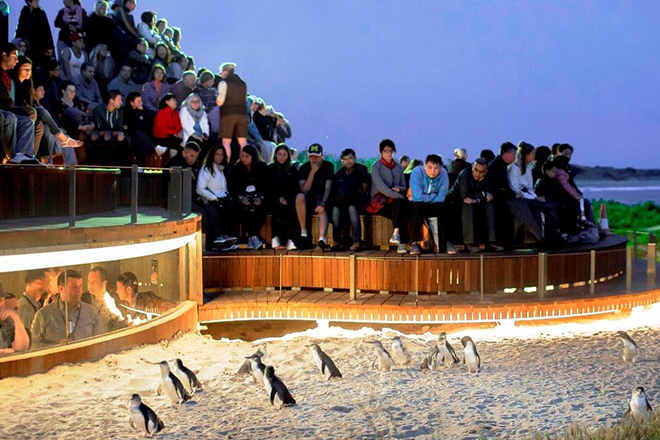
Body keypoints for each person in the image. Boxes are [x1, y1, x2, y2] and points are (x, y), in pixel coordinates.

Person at [489, 141, 543, 246]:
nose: (514, 157)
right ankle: (535, 237)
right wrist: (517, 195)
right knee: (522, 206)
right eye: (513, 154)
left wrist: (534, 197)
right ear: (506, 154)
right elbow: (503, 188)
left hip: (509, 196)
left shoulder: (503, 166)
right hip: (501, 199)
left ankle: (534, 237)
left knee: (532, 205)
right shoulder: (499, 168)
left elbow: (528, 187)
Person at [30, 270, 100, 348]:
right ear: (61, 289)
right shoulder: (44, 315)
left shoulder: (90, 312)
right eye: (74, 287)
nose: (79, 291)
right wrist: (56, 347)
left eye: (80, 286)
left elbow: (99, 341)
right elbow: (33, 344)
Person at [508, 141, 560, 243]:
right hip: (519, 199)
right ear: (526, 155)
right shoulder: (514, 169)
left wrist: (535, 196)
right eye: (532, 154)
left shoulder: (528, 169)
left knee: (550, 206)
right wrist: (534, 198)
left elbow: (530, 188)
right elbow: (515, 189)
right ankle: (538, 238)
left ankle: (552, 235)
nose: (533, 157)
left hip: (528, 196)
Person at [449, 159, 503, 253]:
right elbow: (465, 195)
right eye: (476, 170)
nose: (478, 174)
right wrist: (482, 194)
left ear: (485, 172)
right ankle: (469, 243)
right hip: (457, 201)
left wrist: (478, 199)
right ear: (472, 168)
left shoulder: (488, 176)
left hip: (477, 201)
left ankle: (491, 241)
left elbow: (489, 195)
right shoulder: (464, 174)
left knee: (490, 206)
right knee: (467, 206)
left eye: (481, 172)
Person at [196, 144, 238, 251]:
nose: (219, 157)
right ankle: (219, 242)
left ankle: (228, 240)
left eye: (222, 155)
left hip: (224, 199)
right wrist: (213, 198)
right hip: (213, 201)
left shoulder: (223, 169)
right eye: (217, 154)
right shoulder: (207, 169)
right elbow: (200, 188)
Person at [369, 139, 408, 253]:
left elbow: (403, 186)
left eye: (391, 151)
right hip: (380, 202)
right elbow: (381, 187)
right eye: (386, 151)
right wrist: (398, 195)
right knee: (400, 208)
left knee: (400, 209)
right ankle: (403, 243)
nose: (388, 153)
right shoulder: (376, 166)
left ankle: (397, 235)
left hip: (394, 201)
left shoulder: (398, 167)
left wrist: (399, 189)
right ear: (381, 152)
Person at [1, 42, 37, 164]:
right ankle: (10, 156)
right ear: (4, 55)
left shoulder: (6, 75)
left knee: (27, 121)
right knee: (11, 118)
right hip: (4, 110)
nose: (16, 61)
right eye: (14, 56)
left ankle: (24, 155)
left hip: (7, 108)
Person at [408, 154, 449, 255]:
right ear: (425, 166)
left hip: (435, 204)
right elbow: (417, 197)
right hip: (419, 204)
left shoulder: (444, 174)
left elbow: (442, 197)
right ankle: (415, 242)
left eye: (436, 168)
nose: (433, 171)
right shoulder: (417, 172)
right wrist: (433, 196)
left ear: (440, 168)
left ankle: (444, 243)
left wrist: (427, 196)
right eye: (430, 167)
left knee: (445, 207)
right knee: (417, 208)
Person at [296, 143, 334, 250]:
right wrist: (312, 172)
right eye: (312, 157)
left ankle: (322, 239)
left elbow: (328, 186)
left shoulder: (328, 166)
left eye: (317, 156)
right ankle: (304, 233)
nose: (314, 159)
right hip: (309, 196)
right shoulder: (304, 168)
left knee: (321, 208)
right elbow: (304, 189)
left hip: (323, 196)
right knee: (299, 197)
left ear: (322, 155)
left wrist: (323, 202)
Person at [330, 148, 369, 251]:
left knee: (352, 208)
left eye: (350, 158)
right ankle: (337, 241)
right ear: (342, 161)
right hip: (342, 201)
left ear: (355, 158)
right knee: (335, 209)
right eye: (345, 159)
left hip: (357, 200)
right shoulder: (339, 173)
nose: (348, 161)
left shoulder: (361, 169)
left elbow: (364, 188)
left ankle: (357, 241)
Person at [231, 144, 267, 249]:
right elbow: (234, 187)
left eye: (247, 156)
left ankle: (253, 236)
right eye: (242, 156)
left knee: (260, 209)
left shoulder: (261, 167)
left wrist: (261, 197)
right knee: (243, 209)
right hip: (243, 196)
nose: (244, 159)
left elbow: (266, 185)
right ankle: (253, 237)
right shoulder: (237, 167)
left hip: (258, 196)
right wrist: (241, 197)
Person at [265, 144, 299, 250]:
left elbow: (295, 187)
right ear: (275, 155)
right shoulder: (269, 168)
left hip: (288, 199)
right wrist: (278, 198)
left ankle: (290, 239)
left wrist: (287, 199)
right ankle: (275, 238)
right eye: (279, 154)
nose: (282, 157)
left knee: (290, 210)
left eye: (284, 154)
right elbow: (267, 187)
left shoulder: (292, 169)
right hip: (273, 198)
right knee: (277, 209)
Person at [215, 62, 248, 163]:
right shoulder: (243, 83)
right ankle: (245, 161)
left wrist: (216, 101)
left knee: (226, 141)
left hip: (228, 114)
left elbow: (220, 102)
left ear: (225, 72)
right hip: (242, 115)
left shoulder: (223, 83)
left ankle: (227, 163)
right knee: (243, 141)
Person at [82, 266, 125, 333]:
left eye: (94, 282)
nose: (90, 285)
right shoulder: (83, 299)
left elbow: (120, 322)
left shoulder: (114, 300)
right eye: (89, 281)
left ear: (104, 283)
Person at [123, 91, 156, 163]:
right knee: (138, 135)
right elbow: (131, 126)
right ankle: (154, 146)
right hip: (132, 134)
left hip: (144, 135)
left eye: (141, 101)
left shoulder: (145, 111)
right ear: (131, 103)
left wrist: (142, 112)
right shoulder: (126, 112)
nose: (141, 103)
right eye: (138, 101)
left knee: (140, 139)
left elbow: (148, 125)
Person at [0, 284, 30, 354]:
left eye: (1, 300)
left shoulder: (9, 324)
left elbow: (22, 347)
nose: (1, 305)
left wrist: (15, 317)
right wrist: (11, 350)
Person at [17, 269, 46, 337]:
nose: (49, 286)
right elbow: (25, 338)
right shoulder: (24, 307)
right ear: (39, 283)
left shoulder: (35, 305)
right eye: (48, 281)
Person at [153, 93, 182, 158]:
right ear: (167, 102)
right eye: (173, 100)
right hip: (161, 137)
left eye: (175, 100)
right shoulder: (161, 113)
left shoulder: (176, 113)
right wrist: (174, 132)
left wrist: (176, 133)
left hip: (171, 137)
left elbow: (178, 127)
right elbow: (162, 129)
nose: (175, 102)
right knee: (177, 145)